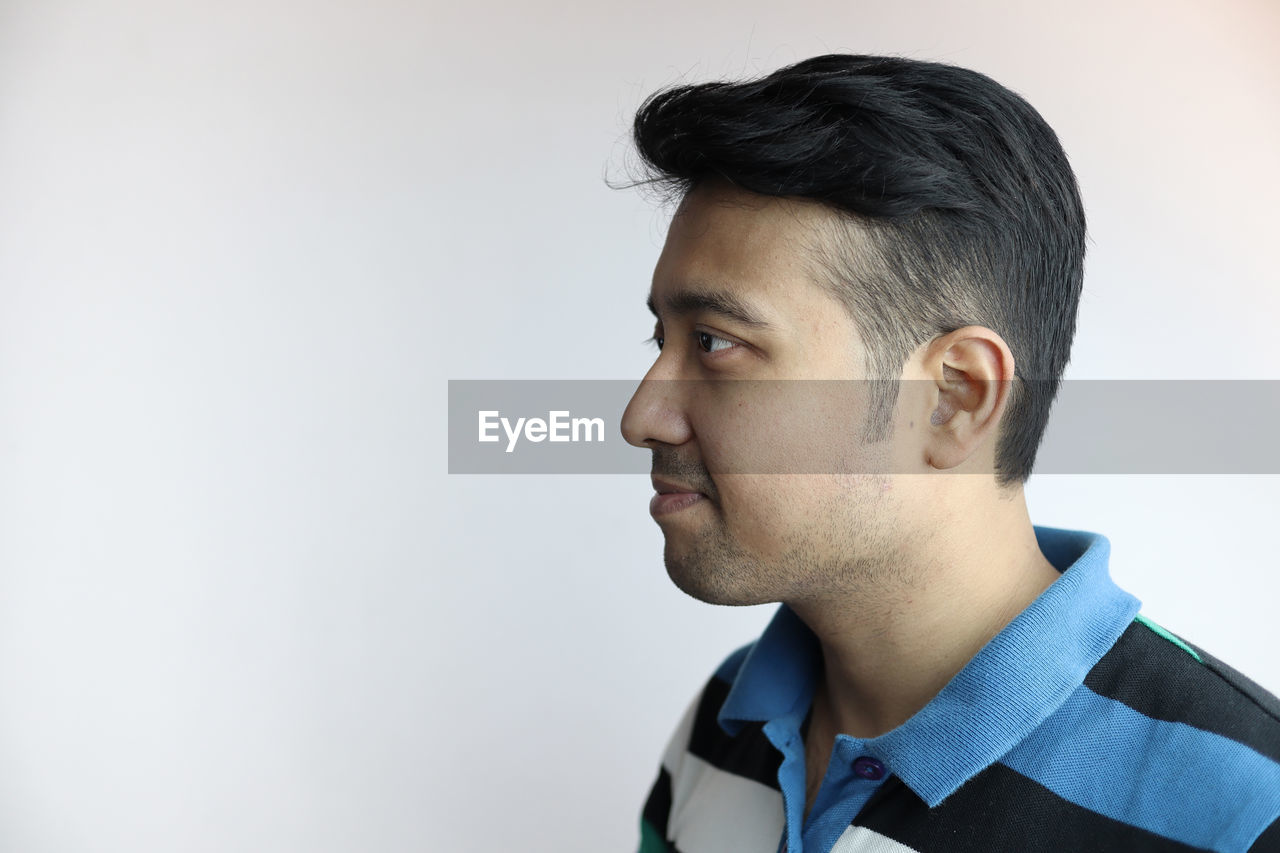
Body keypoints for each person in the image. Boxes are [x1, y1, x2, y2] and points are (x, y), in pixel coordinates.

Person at [618, 54, 1280, 853]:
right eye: (664, 338)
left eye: (717, 342)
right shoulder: (725, 722)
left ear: (955, 397)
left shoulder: (1246, 812)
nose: (641, 416)